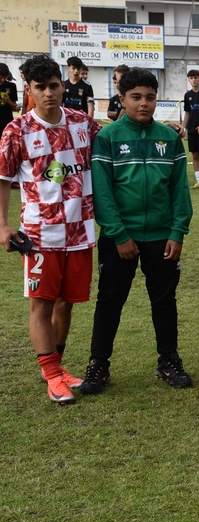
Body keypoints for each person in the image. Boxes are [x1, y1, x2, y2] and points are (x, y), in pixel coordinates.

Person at [80, 68, 193, 394]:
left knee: (164, 300)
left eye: (150, 97)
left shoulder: (169, 138)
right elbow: (102, 192)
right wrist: (118, 234)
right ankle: (98, 364)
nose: (144, 103)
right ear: (122, 99)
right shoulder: (108, 137)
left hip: (162, 237)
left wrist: (177, 232)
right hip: (120, 238)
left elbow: (179, 191)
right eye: (136, 97)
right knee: (110, 300)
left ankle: (168, 360)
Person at [0, 54, 101, 404]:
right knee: (41, 304)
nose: (48, 93)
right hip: (39, 235)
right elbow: (2, 180)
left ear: (62, 85)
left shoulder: (83, 124)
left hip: (81, 232)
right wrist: (2, 225)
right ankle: (52, 374)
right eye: (40, 88)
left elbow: (118, 139)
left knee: (67, 302)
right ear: (28, 90)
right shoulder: (17, 131)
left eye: (53, 86)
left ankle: (57, 366)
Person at [0, 63, 20, 132]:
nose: (2, 80)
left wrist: (8, 101)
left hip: (6, 122)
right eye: (0, 77)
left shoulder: (11, 86)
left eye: (4, 77)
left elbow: (15, 108)